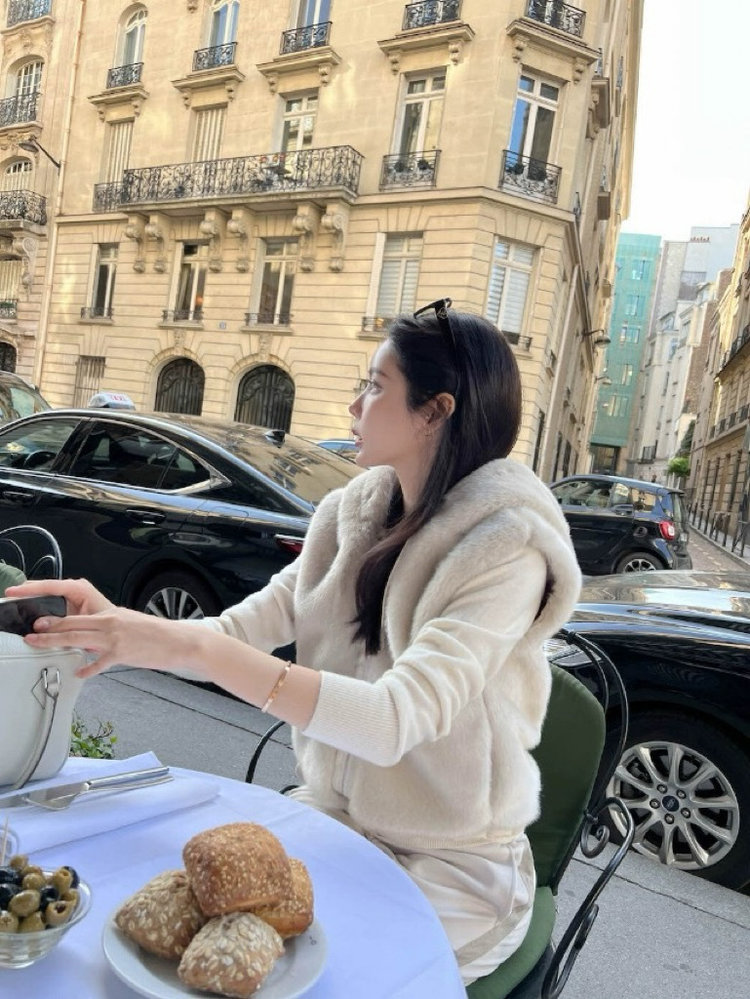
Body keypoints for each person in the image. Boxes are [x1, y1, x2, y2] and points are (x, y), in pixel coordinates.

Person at [9, 299, 582, 984]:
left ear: (435, 411)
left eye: (375, 386)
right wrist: (119, 628)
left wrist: (202, 652)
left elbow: (394, 719)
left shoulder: (506, 547)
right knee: (185, 929)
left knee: (314, 973)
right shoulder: (350, 515)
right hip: (334, 823)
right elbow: (238, 629)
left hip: (453, 865)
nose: (354, 404)